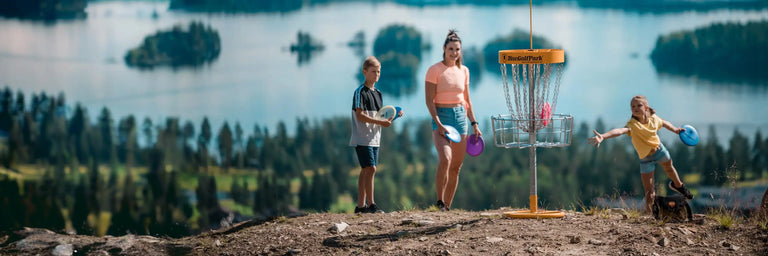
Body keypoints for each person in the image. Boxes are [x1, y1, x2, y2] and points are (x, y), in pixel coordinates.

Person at [588, 95, 694, 213]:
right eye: (633, 106)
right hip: (645, 159)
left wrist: (676, 130)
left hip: (659, 150)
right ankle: (650, 215)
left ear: (646, 108)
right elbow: (619, 131)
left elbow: (664, 123)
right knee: (649, 193)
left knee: (669, 168)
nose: (635, 108)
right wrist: (603, 136)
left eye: (639, 105)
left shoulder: (654, 119)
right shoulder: (632, 125)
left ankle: (678, 185)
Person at [425, 30, 482, 211]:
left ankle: (447, 207)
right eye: (451, 49)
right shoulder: (434, 70)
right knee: (445, 159)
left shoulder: (464, 71)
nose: (454, 53)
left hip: (460, 117)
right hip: (441, 117)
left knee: (456, 167)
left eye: (457, 49)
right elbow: (428, 100)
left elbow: (467, 99)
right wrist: (438, 122)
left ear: (460, 51)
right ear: (444, 49)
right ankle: (439, 201)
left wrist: (474, 123)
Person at [349, 56, 402, 214]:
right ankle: (371, 204)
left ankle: (360, 206)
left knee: (367, 169)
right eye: (373, 72)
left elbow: (380, 117)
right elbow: (360, 115)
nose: (376, 75)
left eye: (378, 72)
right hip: (362, 137)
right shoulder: (360, 92)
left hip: (375, 138)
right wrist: (380, 123)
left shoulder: (378, 93)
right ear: (364, 72)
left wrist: (395, 116)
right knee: (370, 168)